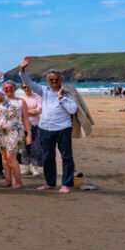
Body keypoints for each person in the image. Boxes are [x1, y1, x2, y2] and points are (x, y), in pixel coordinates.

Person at [19, 58, 79, 194]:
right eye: (51, 79)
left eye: (56, 79)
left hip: (63, 128)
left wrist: (61, 98)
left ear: (61, 80)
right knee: (47, 157)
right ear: (48, 81)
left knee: (67, 157)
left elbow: (73, 110)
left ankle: (66, 184)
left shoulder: (67, 93)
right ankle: (50, 183)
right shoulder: (43, 91)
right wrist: (22, 70)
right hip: (45, 129)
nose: (54, 82)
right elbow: (29, 83)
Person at [0, 80, 31, 189]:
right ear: (3, 89)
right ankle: (8, 180)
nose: (8, 89)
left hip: (15, 131)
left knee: (11, 156)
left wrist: (29, 134)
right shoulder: (1, 100)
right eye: (6, 88)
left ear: (15, 89)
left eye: (10, 87)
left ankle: (19, 182)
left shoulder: (21, 102)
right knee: (4, 157)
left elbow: (26, 119)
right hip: (0, 131)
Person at [20, 83, 43, 176]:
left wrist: (26, 112)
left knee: (35, 146)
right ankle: (26, 167)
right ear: (22, 88)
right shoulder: (21, 99)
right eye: (24, 87)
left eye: (28, 86)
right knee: (24, 147)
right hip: (23, 125)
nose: (27, 88)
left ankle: (35, 167)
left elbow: (39, 110)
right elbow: (19, 112)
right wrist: (32, 111)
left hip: (36, 124)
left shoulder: (37, 97)